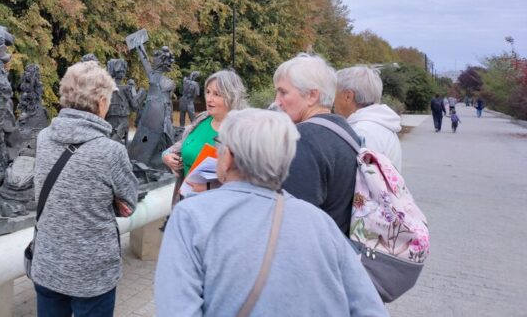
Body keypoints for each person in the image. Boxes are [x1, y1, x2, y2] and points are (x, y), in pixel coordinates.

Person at [154, 108, 387, 316]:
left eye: (219, 145)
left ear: (230, 157)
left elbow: (176, 308)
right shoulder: (320, 222)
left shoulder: (191, 217)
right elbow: (370, 308)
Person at [31, 61, 138, 317]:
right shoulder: (111, 151)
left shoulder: (44, 138)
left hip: (48, 263)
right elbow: (129, 204)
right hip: (92, 273)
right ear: (101, 102)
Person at [273, 53, 360, 235]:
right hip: (338, 248)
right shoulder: (345, 130)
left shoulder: (302, 139)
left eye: (283, 92)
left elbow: (292, 222)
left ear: (312, 96)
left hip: (314, 253)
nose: (277, 101)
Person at [162, 69, 248, 194]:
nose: (209, 99)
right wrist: (166, 156)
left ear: (232, 97)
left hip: (217, 206)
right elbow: (181, 145)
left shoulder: (242, 131)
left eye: (217, 94)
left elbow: (246, 179)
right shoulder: (202, 118)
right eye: (208, 92)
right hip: (186, 199)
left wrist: (208, 187)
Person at [334, 65, 403, 172]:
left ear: (348, 96)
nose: (333, 100)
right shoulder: (382, 124)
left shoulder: (361, 132)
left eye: (335, 94)